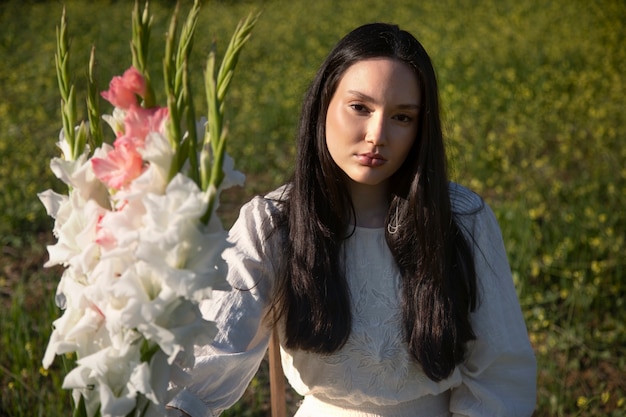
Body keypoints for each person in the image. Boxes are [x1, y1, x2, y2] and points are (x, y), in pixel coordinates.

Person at [167, 22, 537, 417]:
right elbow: (207, 358)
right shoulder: (274, 223)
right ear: (323, 104)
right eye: (360, 107)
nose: (377, 134)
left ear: (420, 128)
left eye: (402, 117)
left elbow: (501, 377)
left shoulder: (461, 219)